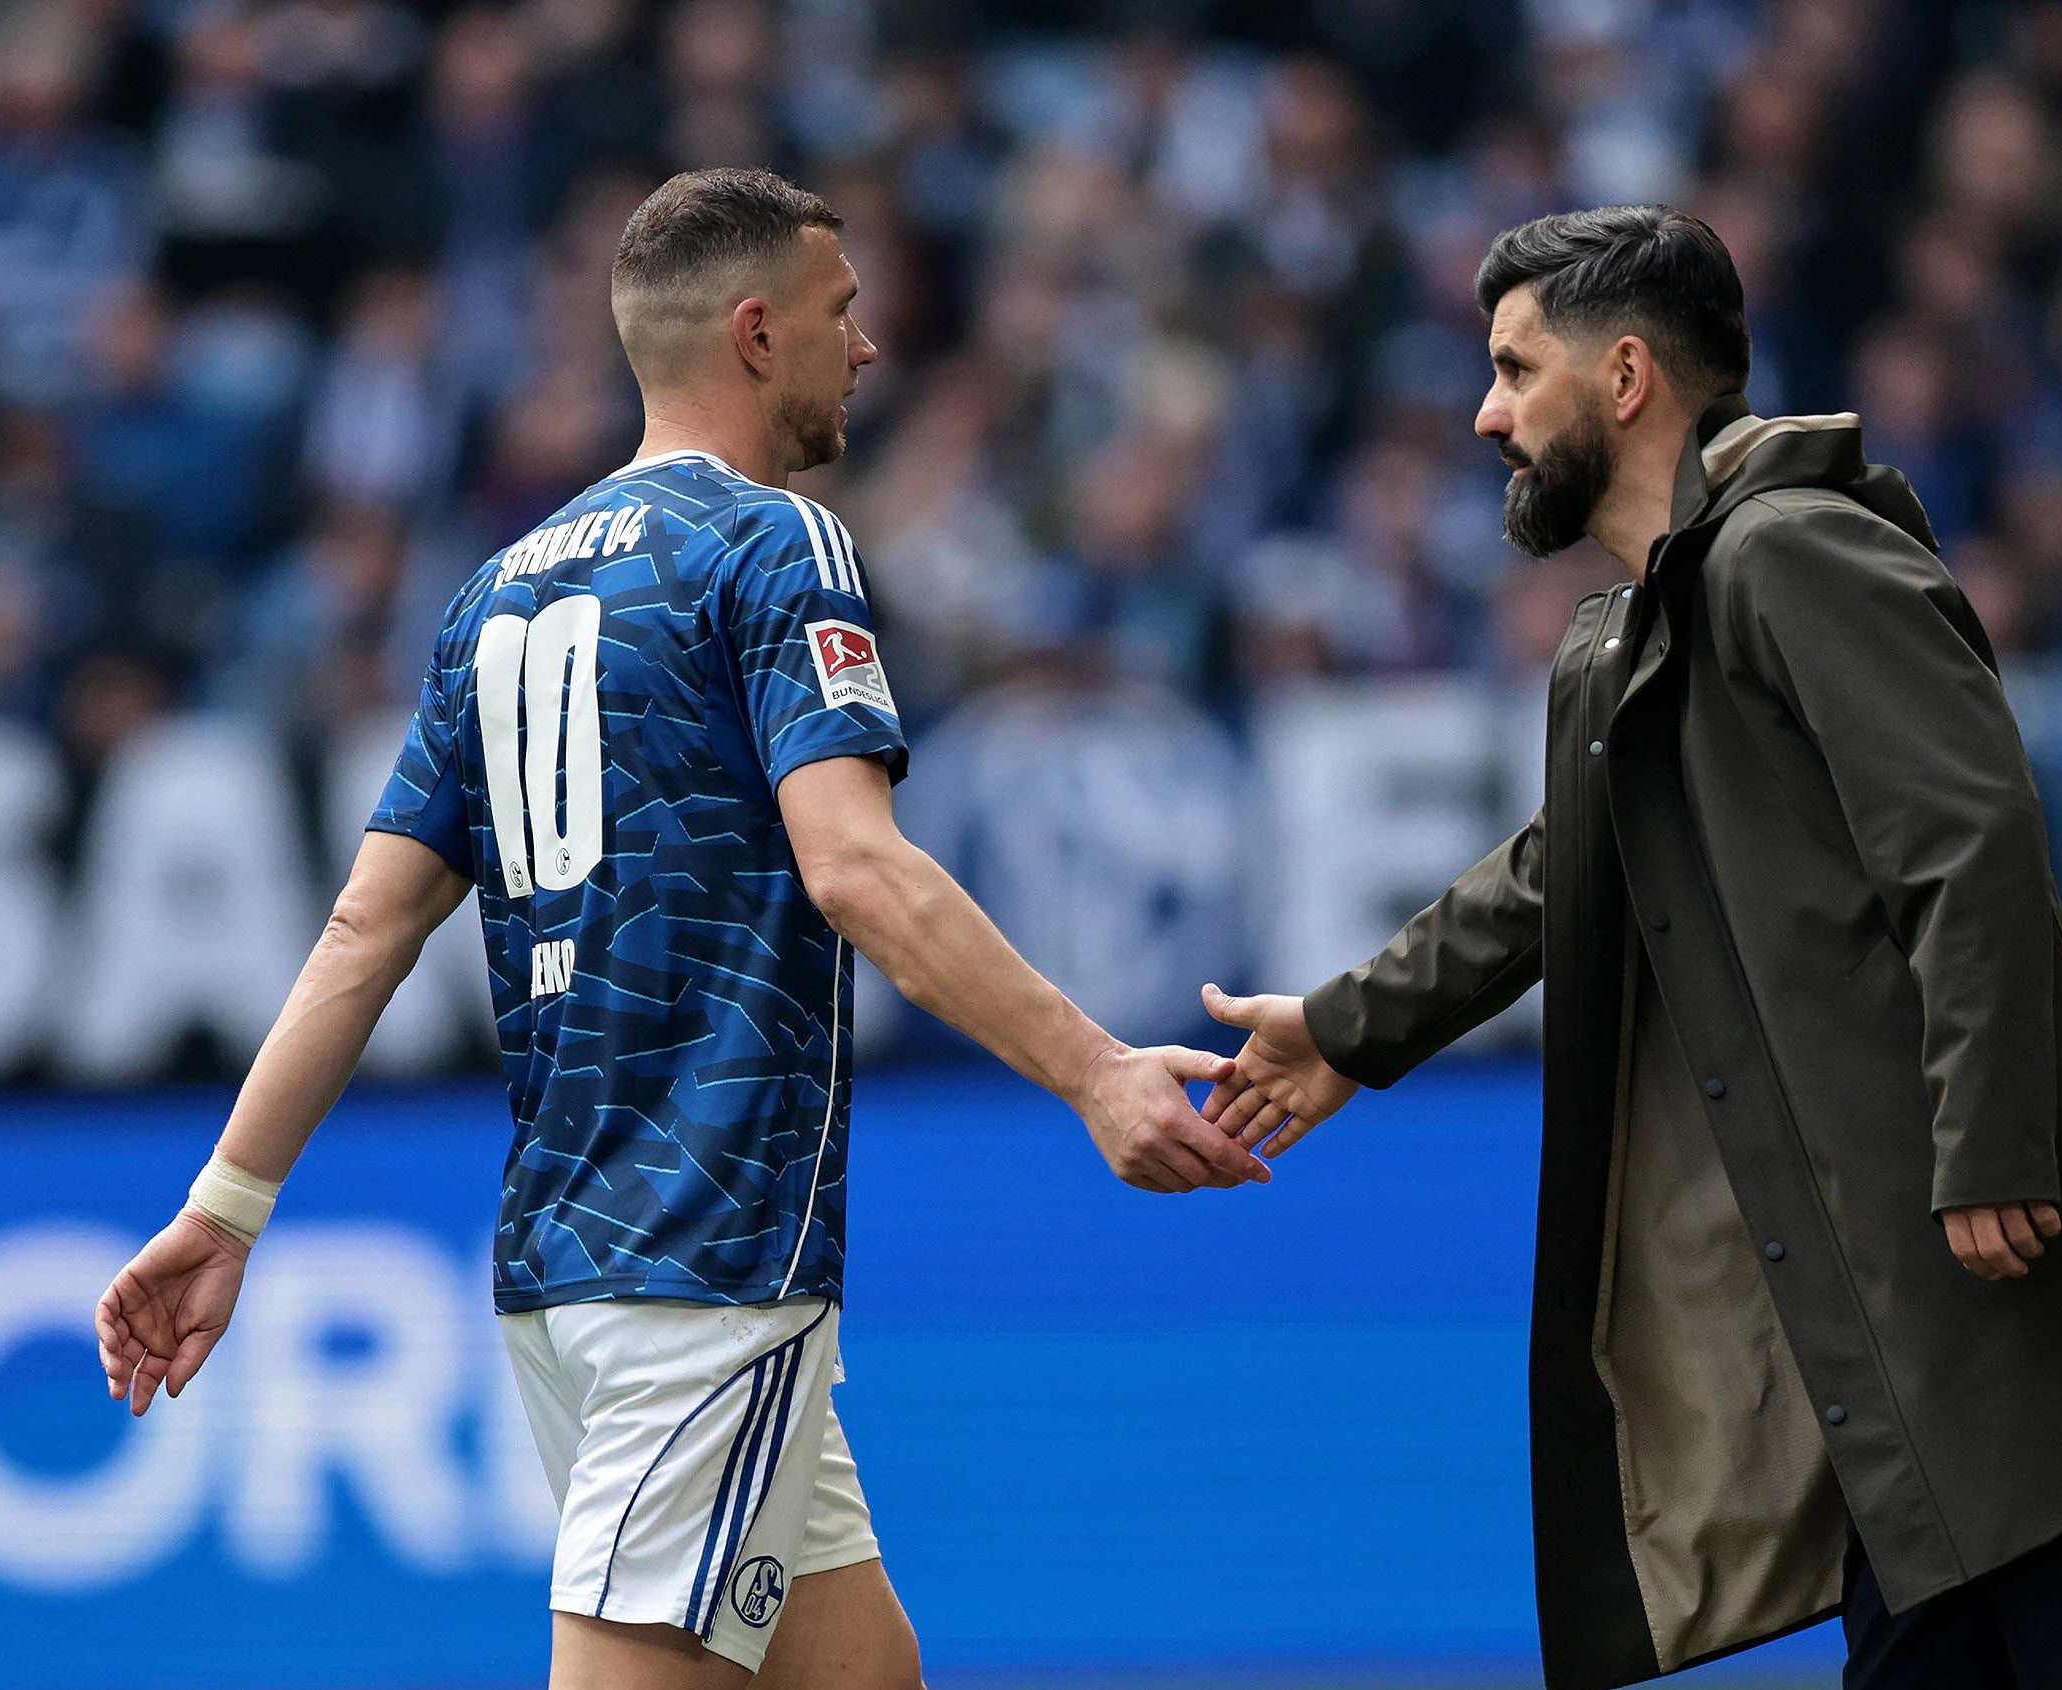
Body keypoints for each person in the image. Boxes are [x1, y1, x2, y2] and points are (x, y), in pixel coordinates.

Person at [92, 168, 1268, 1690]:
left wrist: (227, 1204)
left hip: (569, 1269)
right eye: (844, 314)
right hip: (710, 1265)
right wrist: (1097, 1068)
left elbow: (360, 932)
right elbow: (858, 870)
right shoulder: (775, 543)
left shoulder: (493, 595)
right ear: (758, 331)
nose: (869, 349)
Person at [1201, 206, 2062, 1690]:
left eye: (1516, 369)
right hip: (1898, 1322)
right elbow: (1550, 872)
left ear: (1627, 377)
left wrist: (1992, 1148)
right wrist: (1344, 1028)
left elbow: (1971, 843)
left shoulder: (1792, 556)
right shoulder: (1644, 630)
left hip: (1993, 1275)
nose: (1485, 412)